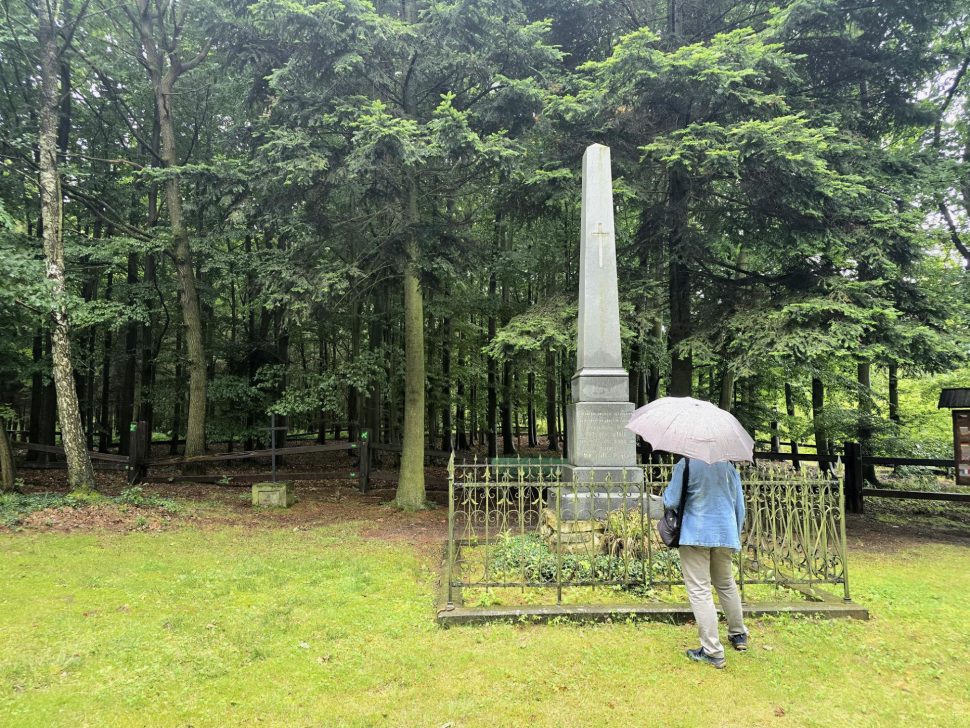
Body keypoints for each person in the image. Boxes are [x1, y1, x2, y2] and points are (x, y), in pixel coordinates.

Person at [663, 457, 748, 669]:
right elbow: (740, 506)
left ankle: (712, 651)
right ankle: (738, 635)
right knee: (726, 583)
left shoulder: (687, 464)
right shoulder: (728, 466)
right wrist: (734, 536)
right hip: (725, 533)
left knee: (700, 590)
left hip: (696, 534)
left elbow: (671, 501)